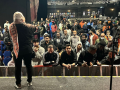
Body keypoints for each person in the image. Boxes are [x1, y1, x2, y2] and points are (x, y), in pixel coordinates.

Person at [9, 11, 36, 89]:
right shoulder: (29, 26)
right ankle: (29, 81)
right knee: (28, 66)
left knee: (18, 67)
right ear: (22, 19)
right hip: (27, 50)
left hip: (17, 50)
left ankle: (18, 84)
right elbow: (34, 28)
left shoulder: (12, 27)